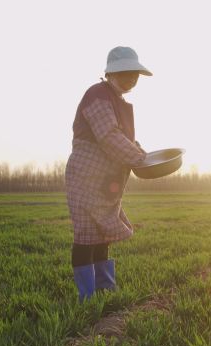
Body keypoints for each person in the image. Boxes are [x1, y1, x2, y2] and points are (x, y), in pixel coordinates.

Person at [66, 46, 152, 302]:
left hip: (105, 179)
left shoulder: (118, 100)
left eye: (135, 74)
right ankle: (87, 296)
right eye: (126, 73)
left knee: (102, 232)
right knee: (85, 234)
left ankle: (105, 288)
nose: (132, 78)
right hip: (86, 175)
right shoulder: (98, 95)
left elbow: (123, 138)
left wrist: (140, 151)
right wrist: (139, 159)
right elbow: (107, 135)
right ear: (111, 73)